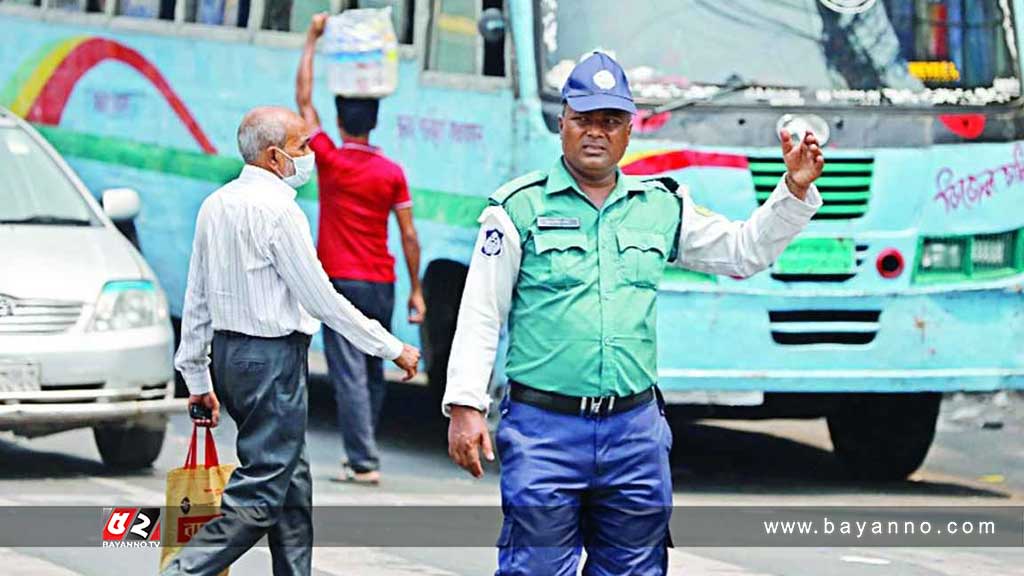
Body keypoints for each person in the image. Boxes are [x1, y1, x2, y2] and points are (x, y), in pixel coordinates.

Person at [443, 52, 824, 575]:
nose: (596, 133)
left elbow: (742, 252)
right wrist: (466, 404)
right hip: (544, 432)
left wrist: (794, 190)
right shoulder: (516, 210)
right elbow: (482, 312)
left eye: (611, 121)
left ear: (629, 131)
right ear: (563, 123)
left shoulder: (661, 205)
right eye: (584, 120)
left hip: (633, 435)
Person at [165, 106, 420, 576]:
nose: (310, 157)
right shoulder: (281, 212)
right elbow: (322, 299)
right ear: (274, 157)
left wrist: (198, 376)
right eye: (302, 148)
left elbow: (196, 297)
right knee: (261, 494)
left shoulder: (216, 204)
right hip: (271, 361)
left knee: (292, 486)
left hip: (231, 358)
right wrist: (392, 347)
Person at [296, 13, 424, 485]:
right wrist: (417, 291)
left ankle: (363, 459)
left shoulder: (328, 159)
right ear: (375, 119)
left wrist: (311, 41)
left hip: (339, 281)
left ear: (340, 118)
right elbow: (409, 235)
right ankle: (363, 450)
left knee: (349, 370)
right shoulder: (392, 172)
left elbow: (303, 101)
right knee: (373, 367)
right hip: (382, 281)